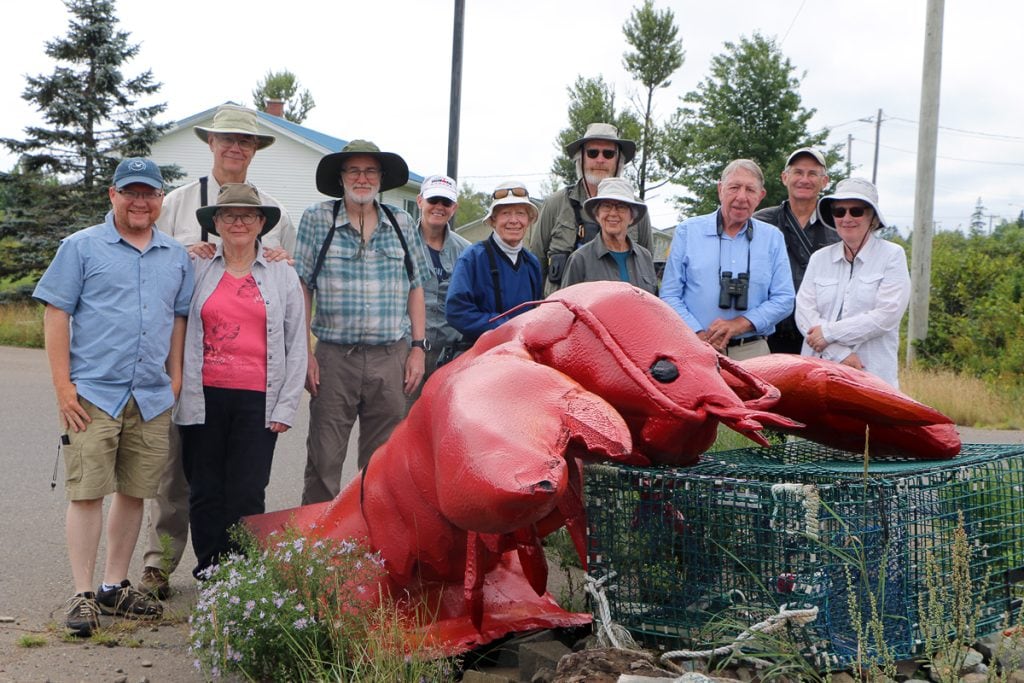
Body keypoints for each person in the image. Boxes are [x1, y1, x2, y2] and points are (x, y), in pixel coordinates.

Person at [33, 158, 193, 636]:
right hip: (93, 395)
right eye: (131, 193)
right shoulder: (81, 248)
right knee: (87, 493)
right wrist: (63, 387)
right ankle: (83, 595)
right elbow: (56, 314)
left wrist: (176, 377)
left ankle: (113, 585)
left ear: (160, 200)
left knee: (134, 492)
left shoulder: (175, 255)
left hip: (150, 394)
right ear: (113, 196)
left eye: (149, 194)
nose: (140, 202)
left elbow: (180, 318)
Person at [141, 103, 295, 600]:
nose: (235, 147)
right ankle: (159, 566)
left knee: (243, 486)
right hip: (183, 365)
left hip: (252, 382)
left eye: (245, 140)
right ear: (209, 143)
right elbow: (150, 268)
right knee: (175, 478)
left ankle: (236, 575)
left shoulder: (275, 210)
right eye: (226, 138)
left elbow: (288, 300)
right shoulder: (176, 206)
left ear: (254, 150)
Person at [174, 184, 306, 578]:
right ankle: (210, 570)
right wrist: (185, 252)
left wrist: (287, 405)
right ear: (214, 223)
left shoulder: (281, 272)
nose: (238, 222)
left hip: (258, 399)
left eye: (247, 215)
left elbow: (297, 341)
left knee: (247, 491)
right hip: (203, 396)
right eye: (228, 215)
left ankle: (240, 574)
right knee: (204, 490)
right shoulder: (196, 266)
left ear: (261, 223)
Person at [295, 140, 429, 504]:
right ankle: (318, 552)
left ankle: (372, 551)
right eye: (353, 170)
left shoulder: (402, 223)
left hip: (391, 357)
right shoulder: (316, 220)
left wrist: (418, 349)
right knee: (323, 461)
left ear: (381, 178)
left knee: (382, 465)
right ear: (340, 177)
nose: (362, 178)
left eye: (370, 171)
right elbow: (302, 287)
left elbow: (416, 287)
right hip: (334, 358)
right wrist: (305, 353)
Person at [660, 159, 794, 360]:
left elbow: (784, 299)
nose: (741, 197)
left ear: (761, 196)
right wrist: (698, 334)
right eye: (734, 187)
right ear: (720, 189)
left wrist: (740, 324)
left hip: (752, 351)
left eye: (750, 190)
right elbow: (669, 295)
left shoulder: (773, 238)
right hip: (694, 347)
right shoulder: (688, 231)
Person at [796, 178, 910, 388]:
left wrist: (828, 334)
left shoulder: (892, 256)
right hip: (819, 376)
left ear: (872, 217)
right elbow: (804, 313)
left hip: (872, 376)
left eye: (856, 211)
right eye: (839, 211)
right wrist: (839, 354)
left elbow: (886, 315)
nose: (847, 218)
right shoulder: (819, 258)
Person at [529, 122, 653, 295]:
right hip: (564, 314)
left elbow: (647, 266)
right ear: (581, 158)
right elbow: (534, 265)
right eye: (592, 152)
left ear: (619, 161)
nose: (600, 160)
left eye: (608, 154)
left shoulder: (637, 208)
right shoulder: (555, 203)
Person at [754, 148, 839, 353]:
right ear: (785, 177)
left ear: (824, 181)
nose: (804, 179)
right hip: (769, 334)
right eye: (798, 172)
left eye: (812, 174)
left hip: (818, 336)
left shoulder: (837, 224)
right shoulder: (761, 222)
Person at [446, 181, 543, 342]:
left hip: (522, 353)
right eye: (505, 213)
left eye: (520, 213)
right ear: (493, 220)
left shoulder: (531, 263)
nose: (514, 220)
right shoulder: (472, 258)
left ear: (529, 220)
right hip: (482, 356)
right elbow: (456, 312)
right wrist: (504, 326)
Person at [411, 174, 470, 395]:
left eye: (445, 202)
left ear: (454, 207)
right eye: (433, 200)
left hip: (450, 357)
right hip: (407, 353)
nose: (439, 207)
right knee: (401, 423)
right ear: (420, 201)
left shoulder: (467, 252)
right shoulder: (401, 244)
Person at [561, 177, 658, 294]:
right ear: (597, 215)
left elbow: (653, 305)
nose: (613, 213)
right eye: (606, 206)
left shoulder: (645, 257)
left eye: (621, 207)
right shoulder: (580, 259)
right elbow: (566, 307)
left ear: (632, 217)